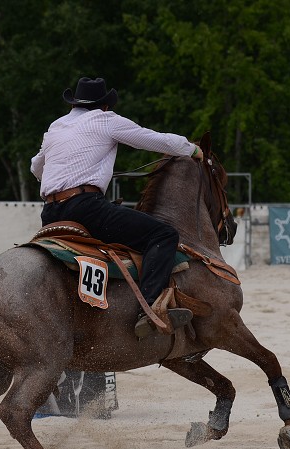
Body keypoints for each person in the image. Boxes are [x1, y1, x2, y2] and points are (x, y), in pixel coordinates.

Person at [30, 76, 204, 338]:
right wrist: (191, 150)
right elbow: (156, 140)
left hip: (50, 213)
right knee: (163, 235)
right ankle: (150, 308)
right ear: (104, 106)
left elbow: (36, 167)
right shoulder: (106, 121)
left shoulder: (56, 126)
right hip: (85, 208)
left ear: (75, 103)